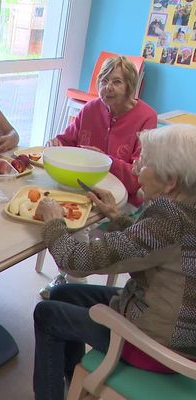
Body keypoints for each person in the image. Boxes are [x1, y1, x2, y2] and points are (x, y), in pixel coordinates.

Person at [33, 123, 196, 400]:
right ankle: (76, 378)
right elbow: (151, 249)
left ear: (170, 181)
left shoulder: (168, 220)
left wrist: (54, 223)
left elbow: (76, 261)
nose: (135, 169)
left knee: (46, 314)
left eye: (144, 163)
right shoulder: (185, 209)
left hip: (157, 346)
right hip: (181, 331)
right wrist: (115, 215)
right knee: (62, 293)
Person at [40, 55, 157, 298]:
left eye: (116, 82)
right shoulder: (91, 108)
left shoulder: (146, 117)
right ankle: (69, 277)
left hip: (123, 199)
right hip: (83, 188)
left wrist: (107, 159)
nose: (107, 87)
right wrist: (57, 142)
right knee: (64, 209)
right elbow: (68, 140)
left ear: (130, 86)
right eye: (103, 80)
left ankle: (73, 285)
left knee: (79, 223)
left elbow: (137, 178)